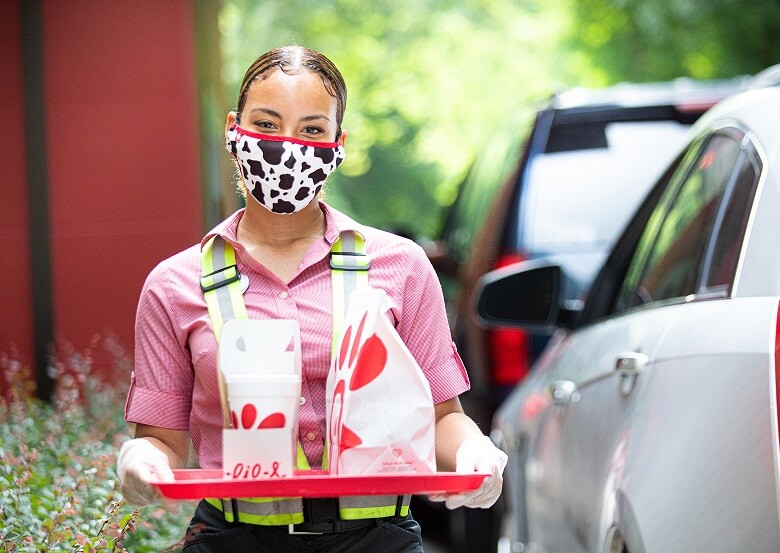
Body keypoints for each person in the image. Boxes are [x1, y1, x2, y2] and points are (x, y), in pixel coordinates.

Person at [117, 44, 507, 553]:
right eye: (267, 123)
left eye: (311, 130)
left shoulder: (402, 267)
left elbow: (441, 417)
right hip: (233, 541)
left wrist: (475, 452)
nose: (287, 146)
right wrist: (139, 460)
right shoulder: (174, 284)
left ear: (338, 143)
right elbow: (162, 441)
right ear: (235, 130)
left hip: (378, 540)